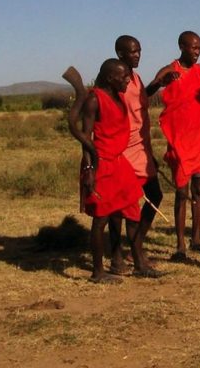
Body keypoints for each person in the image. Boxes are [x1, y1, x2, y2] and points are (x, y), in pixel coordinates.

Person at [75, 59, 145, 283]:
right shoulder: (95, 100)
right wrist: (89, 171)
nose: (127, 79)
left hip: (119, 162)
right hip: (101, 164)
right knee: (101, 219)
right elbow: (85, 139)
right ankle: (98, 272)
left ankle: (139, 262)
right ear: (109, 78)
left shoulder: (120, 96)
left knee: (133, 210)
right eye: (123, 76)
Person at [151, 31, 200, 261]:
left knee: (199, 191)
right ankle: (180, 245)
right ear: (182, 46)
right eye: (193, 48)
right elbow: (149, 91)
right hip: (180, 141)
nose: (198, 52)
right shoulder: (170, 70)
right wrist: (161, 82)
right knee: (182, 192)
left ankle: (196, 239)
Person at [109, 35, 165, 277]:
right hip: (123, 149)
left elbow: (141, 101)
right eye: (132, 52)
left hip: (141, 147)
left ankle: (136, 246)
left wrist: (158, 84)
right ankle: (117, 255)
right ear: (120, 54)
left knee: (155, 194)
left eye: (139, 51)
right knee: (121, 205)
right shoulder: (117, 81)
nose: (137, 55)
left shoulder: (137, 78)